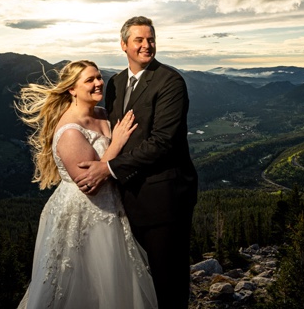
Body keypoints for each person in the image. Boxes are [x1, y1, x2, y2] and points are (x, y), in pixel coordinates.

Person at [76, 16, 198, 308]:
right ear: (124, 45)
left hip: (164, 196)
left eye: (151, 39)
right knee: (139, 281)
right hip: (126, 197)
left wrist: (106, 169)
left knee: (168, 282)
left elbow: (163, 143)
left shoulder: (170, 81)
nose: (147, 45)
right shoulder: (116, 83)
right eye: (139, 40)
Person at [15, 59, 158, 309]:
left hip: (113, 211)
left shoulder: (103, 114)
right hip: (84, 214)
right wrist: (117, 142)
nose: (98, 83)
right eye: (90, 79)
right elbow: (91, 185)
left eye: (99, 77)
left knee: (117, 281)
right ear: (72, 89)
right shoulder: (70, 131)